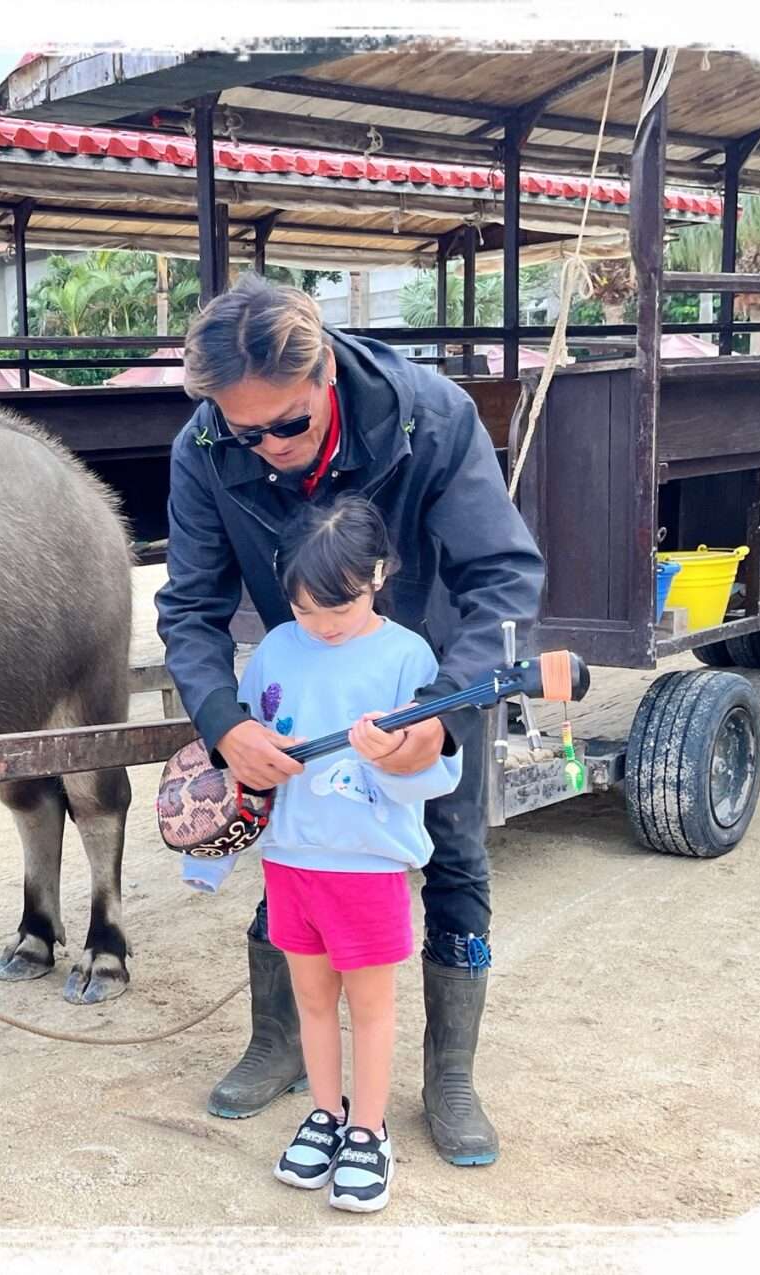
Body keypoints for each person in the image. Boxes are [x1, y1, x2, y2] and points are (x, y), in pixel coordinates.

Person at [155, 274, 544, 1167]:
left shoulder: (430, 416)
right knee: (296, 851)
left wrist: (444, 712)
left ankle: (450, 1074)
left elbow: (503, 574)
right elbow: (190, 608)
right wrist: (224, 722)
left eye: (286, 424)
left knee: (453, 854)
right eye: (244, 432)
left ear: (325, 368)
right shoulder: (206, 445)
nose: (267, 449)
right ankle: (279, 1039)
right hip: (302, 684)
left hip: (432, 679)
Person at [239, 496, 460, 1212]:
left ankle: (368, 1129)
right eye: (307, 609)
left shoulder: (407, 656)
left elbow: (433, 767)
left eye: (340, 608)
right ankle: (326, 1112)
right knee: (309, 997)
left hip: (366, 864)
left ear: (378, 574)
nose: (324, 625)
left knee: (368, 1005)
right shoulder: (276, 647)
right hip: (291, 859)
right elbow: (248, 739)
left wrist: (393, 756)